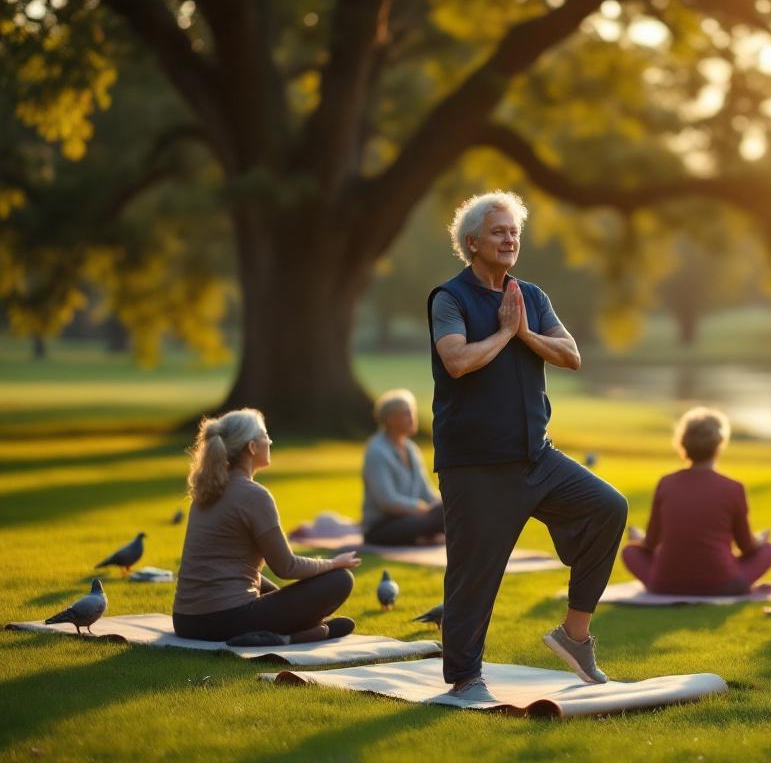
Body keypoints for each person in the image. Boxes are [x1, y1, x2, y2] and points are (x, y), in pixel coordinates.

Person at [429, 191, 627, 701]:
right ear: (472, 243)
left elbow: (571, 355)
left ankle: (574, 636)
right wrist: (503, 335)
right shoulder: (449, 299)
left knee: (608, 507)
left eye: (514, 231)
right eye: (498, 231)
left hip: (536, 457)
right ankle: (465, 677)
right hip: (475, 464)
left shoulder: (531, 297)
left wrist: (524, 334)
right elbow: (457, 362)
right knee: (475, 575)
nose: (510, 238)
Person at [172, 409, 361, 646]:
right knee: (340, 580)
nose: (270, 441)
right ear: (252, 447)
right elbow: (286, 566)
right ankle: (292, 636)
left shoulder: (205, 493)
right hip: (226, 620)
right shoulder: (254, 496)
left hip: (186, 621)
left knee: (263, 583)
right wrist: (334, 563)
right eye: (266, 436)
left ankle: (307, 629)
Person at [622, 408, 771, 595]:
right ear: (719, 445)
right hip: (723, 584)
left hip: (665, 584)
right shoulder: (733, 488)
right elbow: (747, 547)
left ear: (683, 443)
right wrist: (759, 539)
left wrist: (638, 538)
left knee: (630, 551)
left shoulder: (666, 483)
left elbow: (650, 544)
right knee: (768, 549)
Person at [361, 389, 443, 546]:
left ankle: (427, 536)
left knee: (452, 507)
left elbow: (426, 493)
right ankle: (429, 535)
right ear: (390, 420)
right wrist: (423, 509)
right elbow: (387, 502)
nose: (412, 417)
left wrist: (444, 504)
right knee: (442, 517)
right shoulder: (376, 451)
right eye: (406, 413)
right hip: (381, 527)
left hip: (414, 518)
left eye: (412, 411)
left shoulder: (411, 449)